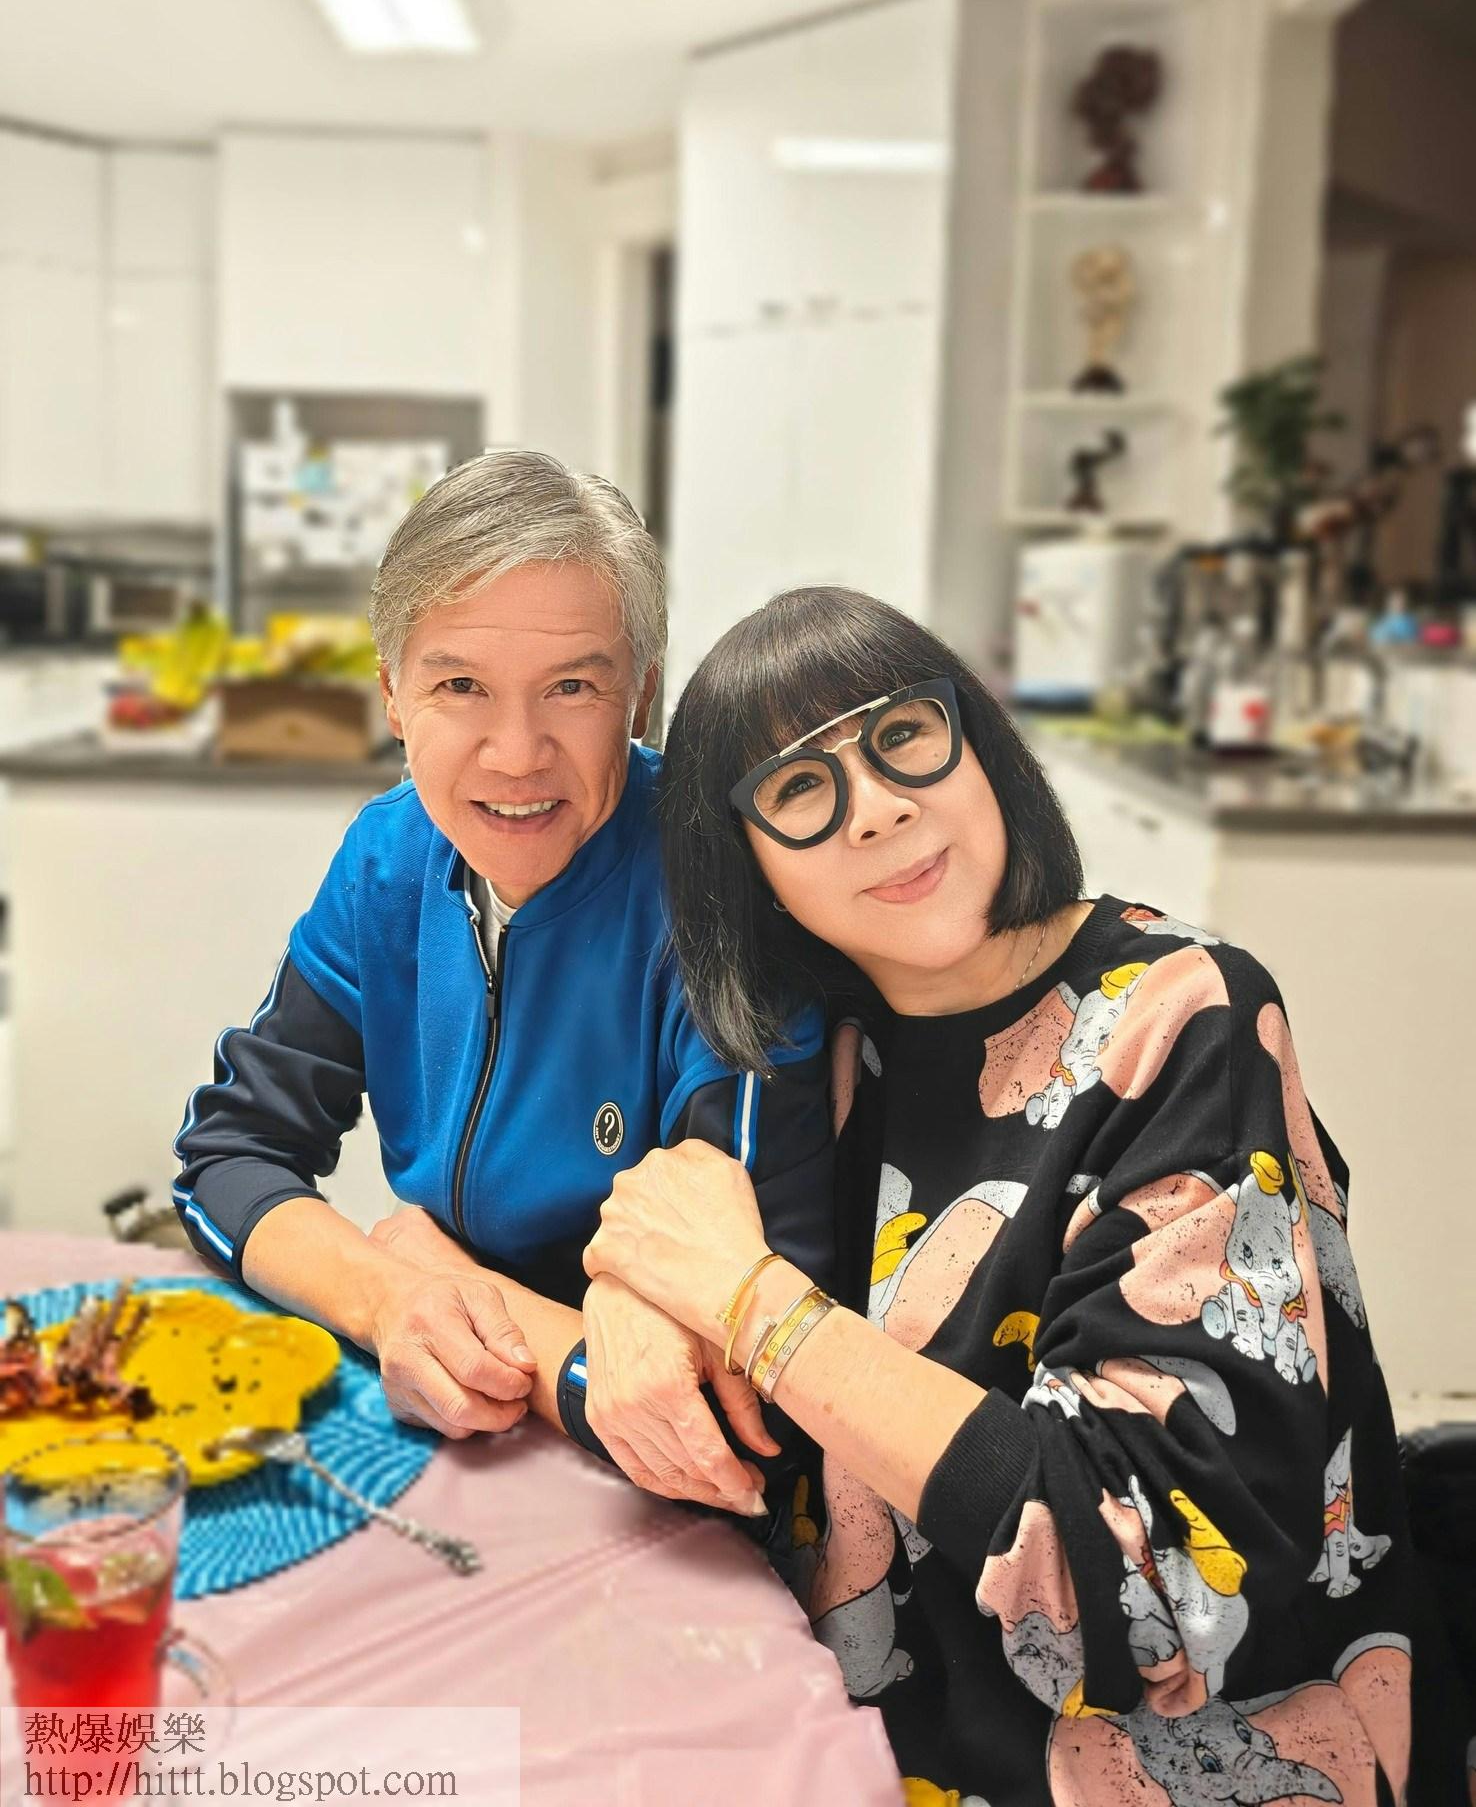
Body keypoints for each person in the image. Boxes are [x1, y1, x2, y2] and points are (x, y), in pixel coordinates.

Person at [583, 584, 1413, 1806]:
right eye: (800, 788)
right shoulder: (813, 1059)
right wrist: (629, 1288)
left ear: (979, 742)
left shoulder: (1185, 1016)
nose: (878, 806)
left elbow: (1165, 1593)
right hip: (859, 1735)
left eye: (902, 734)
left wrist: (754, 1305)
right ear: (741, 865)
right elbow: (673, 1272)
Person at [173, 453, 833, 1521]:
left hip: (669, 1505)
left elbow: (729, 1391)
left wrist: (432, 1260)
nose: (517, 754)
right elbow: (228, 1158)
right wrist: (390, 1294)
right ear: (392, 694)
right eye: (459, 685)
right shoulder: (389, 857)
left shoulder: (719, 888)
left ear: (641, 696)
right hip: (456, 1421)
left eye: (572, 686)